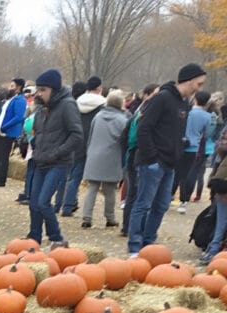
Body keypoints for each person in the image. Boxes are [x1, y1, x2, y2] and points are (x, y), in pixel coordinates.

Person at [128, 63, 207, 257]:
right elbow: (144, 128)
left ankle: (149, 242)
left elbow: (174, 132)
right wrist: (152, 157)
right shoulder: (162, 98)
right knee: (143, 204)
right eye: (198, 83)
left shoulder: (184, 104)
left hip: (170, 163)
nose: (199, 88)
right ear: (189, 81)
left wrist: (179, 148)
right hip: (152, 162)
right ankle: (135, 245)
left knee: (161, 205)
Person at [26, 69, 82, 247]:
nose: (39, 93)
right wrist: (35, 145)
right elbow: (39, 132)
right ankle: (34, 237)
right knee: (34, 203)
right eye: (38, 89)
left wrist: (58, 152)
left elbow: (77, 135)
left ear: (54, 90)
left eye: (43, 90)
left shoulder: (67, 105)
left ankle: (57, 237)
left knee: (43, 202)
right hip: (41, 160)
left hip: (59, 162)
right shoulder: (42, 108)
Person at [80, 90, 129, 229]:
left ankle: (86, 217)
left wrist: (89, 152)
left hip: (95, 155)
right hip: (112, 157)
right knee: (110, 190)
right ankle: (110, 217)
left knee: (92, 188)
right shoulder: (123, 120)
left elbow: (90, 136)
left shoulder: (98, 116)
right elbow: (123, 141)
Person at [60, 75, 103, 216]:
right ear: (99, 88)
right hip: (89, 143)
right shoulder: (102, 106)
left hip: (74, 141)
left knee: (70, 176)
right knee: (77, 177)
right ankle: (68, 205)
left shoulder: (76, 102)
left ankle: (66, 203)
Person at [120, 83, 159, 237]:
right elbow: (130, 138)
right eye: (155, 93)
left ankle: (129, 227)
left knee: (134, 193)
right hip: (137, 156)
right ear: (147, 95)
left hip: (134, 155)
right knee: (136, 194)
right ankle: (131, 228)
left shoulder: (141, 111)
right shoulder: (142, 112)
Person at [0, 78, 26, 187]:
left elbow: (18, 117)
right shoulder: (11, 99)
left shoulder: (20, 100)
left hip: (7, 132)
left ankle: (1, 179)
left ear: (18, 87)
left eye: (12, 86)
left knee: (3, 156)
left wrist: (4, 127)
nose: (9, 88)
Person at [176, 90, 212, 214]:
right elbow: (206, 134)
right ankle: (184, 201)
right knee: (189, 174)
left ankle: (167, 195)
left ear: (195, 99)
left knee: (175, 172)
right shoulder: (207, 116)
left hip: (179, 144)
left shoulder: (187, 112)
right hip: (193, 147)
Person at [199, 151, 227, 266]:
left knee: (220, 225)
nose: (223, 142)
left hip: (222, 190)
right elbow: (216, 173)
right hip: (221, 191)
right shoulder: (222, 156)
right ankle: (213, 249)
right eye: (223, 139)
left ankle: (214, 249)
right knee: (220, 225)